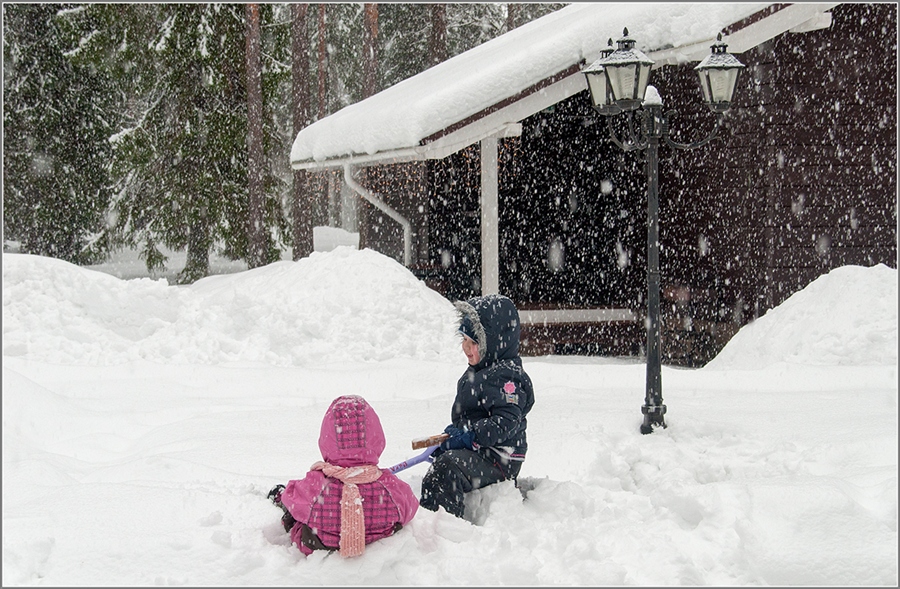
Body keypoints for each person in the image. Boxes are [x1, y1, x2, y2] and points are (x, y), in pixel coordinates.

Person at [419, 294, 535, 519]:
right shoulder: (481, 370)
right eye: (464, 339)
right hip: (482, 450)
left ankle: (442, 529)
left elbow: (505, 423)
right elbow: (472, 414)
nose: (465, 347)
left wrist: (469, 435)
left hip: (501, 457)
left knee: (446, 470)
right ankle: (429, 521)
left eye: (474, 342)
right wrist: (454, 434)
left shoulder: (508, 378)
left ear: (494, 343)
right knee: (444, 464)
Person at [268, 395, 418, 557]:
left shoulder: (318, 485)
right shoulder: (390, 486)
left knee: (297, 519)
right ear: (377, 438)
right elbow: (411, 506)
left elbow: (292, 498)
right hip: (376, 539)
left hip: (320, 544)